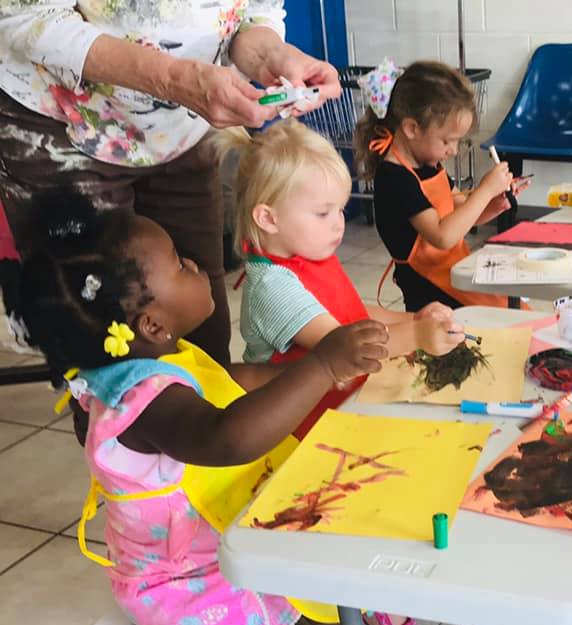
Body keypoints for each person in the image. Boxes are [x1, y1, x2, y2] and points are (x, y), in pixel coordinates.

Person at [15, 189, 393, 625]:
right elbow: (228, 436)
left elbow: (231, 383)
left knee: (320, 598)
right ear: (152, 323)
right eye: (181, 265)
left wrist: (317, 371)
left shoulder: (152, 356)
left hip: (221, 544)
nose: (197, 262)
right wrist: (320, 367)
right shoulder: (146, 402)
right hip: (179, 581)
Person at [226, 119, 463, 625]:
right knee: (344, 511)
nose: (340, 224)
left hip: (340, 407)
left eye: (339, 210)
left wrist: (410, 317)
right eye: (324, 213)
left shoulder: (311, 256)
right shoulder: (274, 286)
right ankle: (364, 594)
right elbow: (344, 345)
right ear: (268, 217)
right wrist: (418, 337)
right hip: (295, 433)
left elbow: (357, 315)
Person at [0, 0, 341, 365]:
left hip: (183, 126)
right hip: (62, 124)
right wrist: (175, 79)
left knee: (203, 330)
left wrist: (270, 54)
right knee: (105, 349)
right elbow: (25, 16)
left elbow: (252, 13)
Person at [354, 60, 527, 311]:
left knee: (516, 312)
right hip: (431, 294)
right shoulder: (395, 177)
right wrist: (485, 189)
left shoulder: (429, 165)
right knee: (504, 320)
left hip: (453, 274)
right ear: (412, 128)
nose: (454, 151)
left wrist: (494, 204)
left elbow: (462, 213)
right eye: (447, 140)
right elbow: (443, 236)